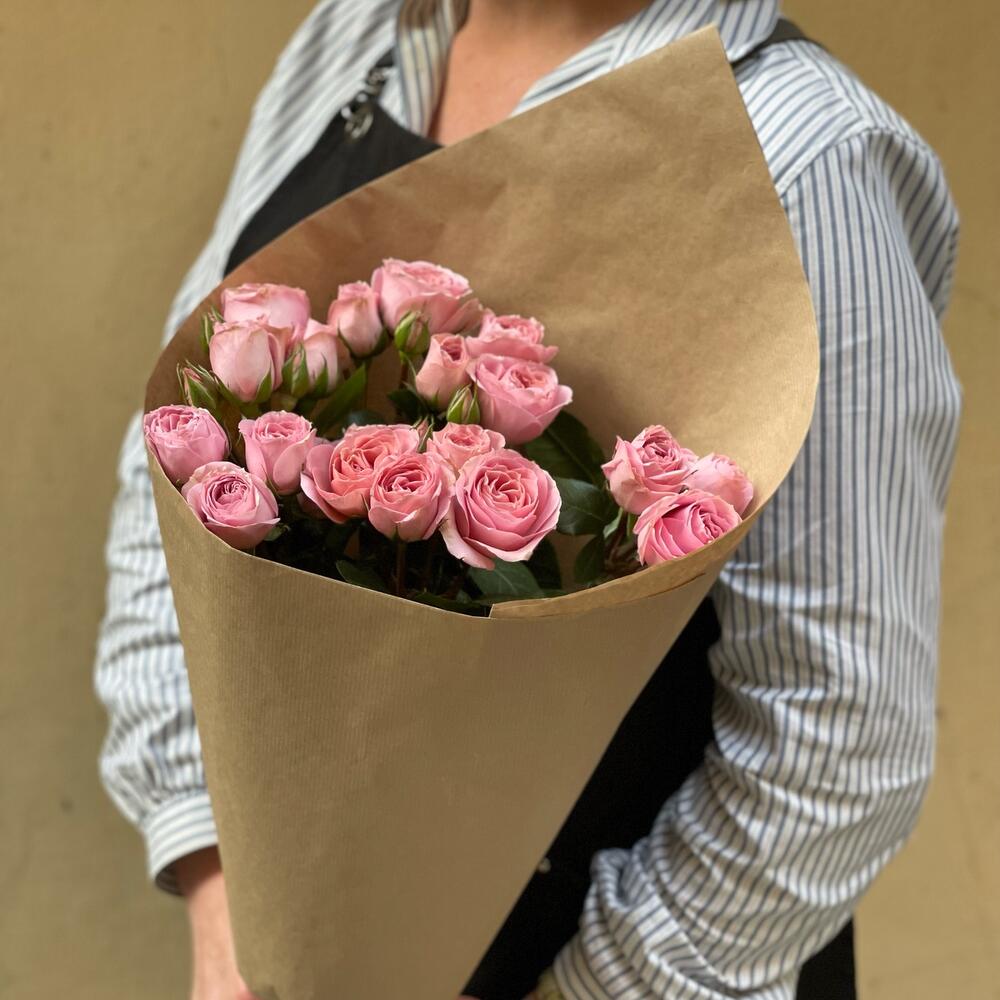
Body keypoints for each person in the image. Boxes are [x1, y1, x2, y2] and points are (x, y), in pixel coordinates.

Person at [94, 1, 962, 998]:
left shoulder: (804, 153)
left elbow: (833, 739)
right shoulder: (361, 31)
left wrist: (584, 987)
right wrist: (224, 909)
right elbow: (172, 467)